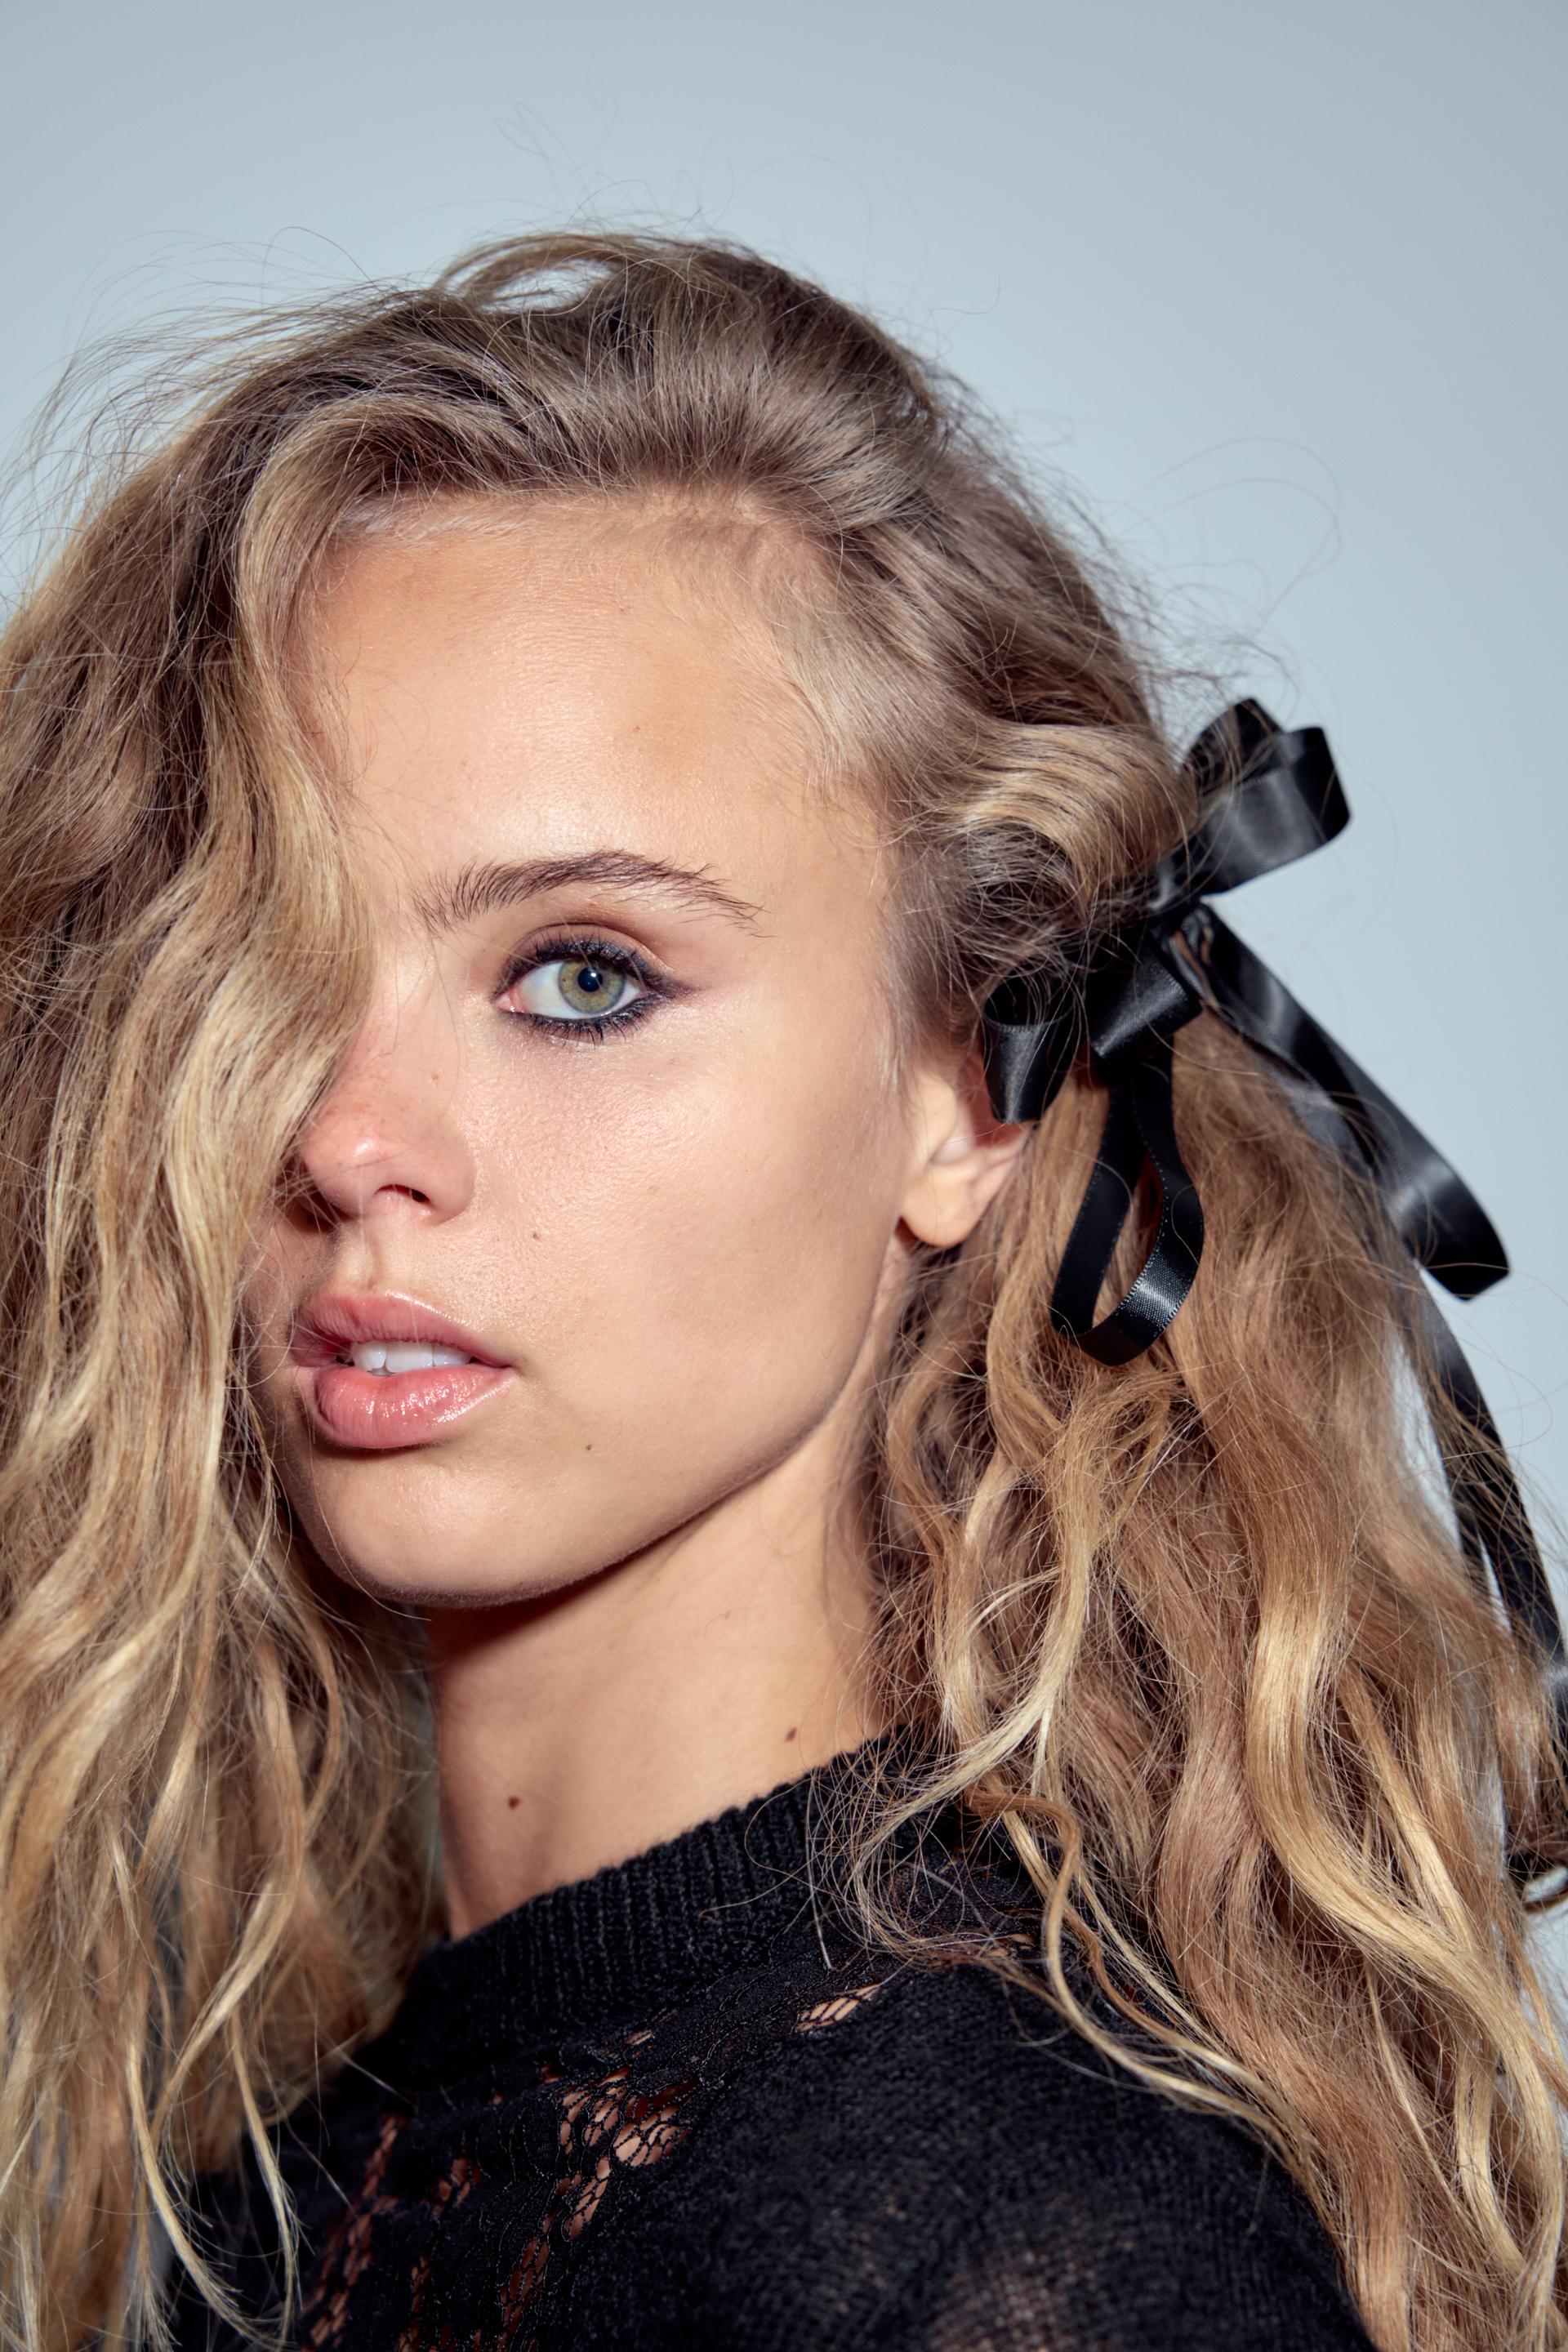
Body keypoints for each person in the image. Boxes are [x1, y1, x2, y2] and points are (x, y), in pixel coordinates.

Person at [1, 230, 1564, 2352]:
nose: (349, 1137)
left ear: (967, 1093)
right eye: (263, 971)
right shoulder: (294, 2190)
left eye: (583, 978)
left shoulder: (1028, 2246)